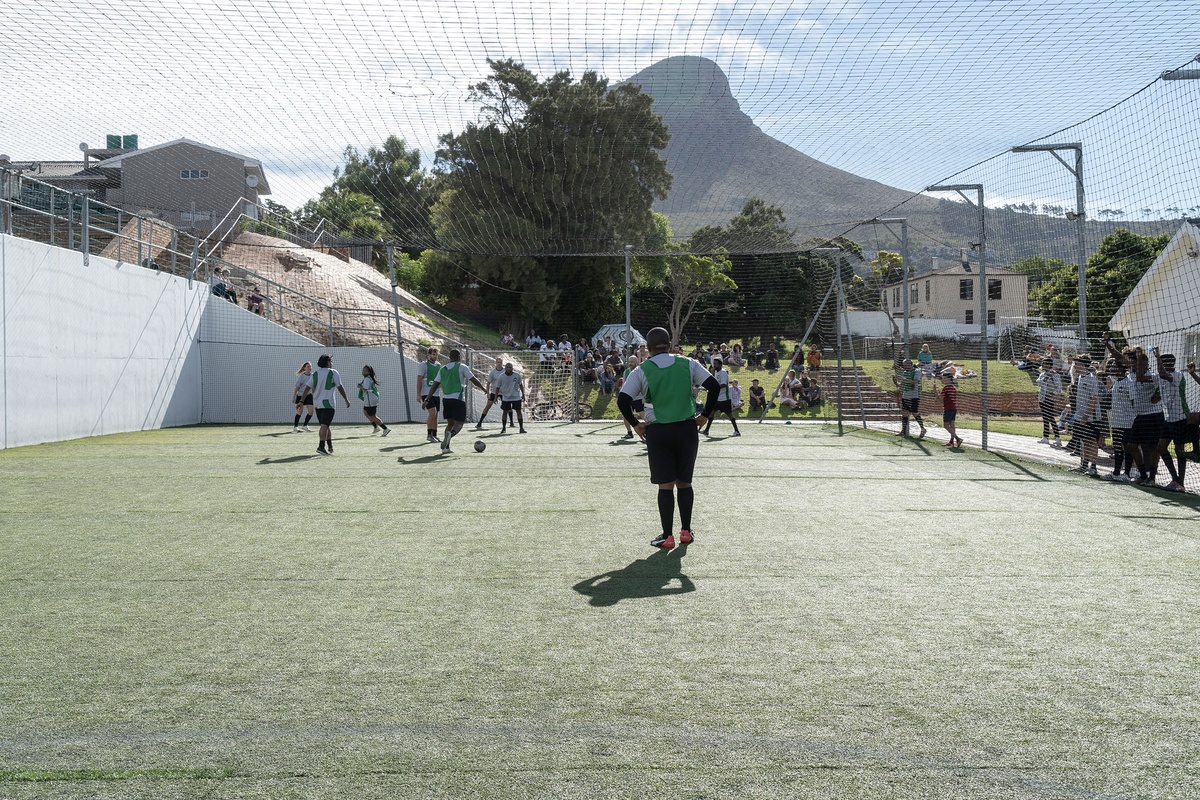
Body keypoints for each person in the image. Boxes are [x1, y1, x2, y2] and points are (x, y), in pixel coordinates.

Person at [618, 327, 721, 549]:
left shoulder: (641, 370)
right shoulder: (688, 363)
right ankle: (686, 532)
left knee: (665, 486)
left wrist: (636, 425)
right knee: (685, 483)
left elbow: (623, 400)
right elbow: (713, 386)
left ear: (648, 346)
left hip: (659, 432)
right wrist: (704, 415)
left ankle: (667, 536)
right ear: (669, 343)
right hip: (687, 429)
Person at [422, 348, 487, 454]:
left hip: (446, 400)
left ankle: (446, 448)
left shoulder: (442, 369)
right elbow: (473, 379)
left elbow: (434, 385)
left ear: (449, 358)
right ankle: (450, 435)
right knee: (459, 423)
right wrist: (484, 389)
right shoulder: (462, 367)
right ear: (459, 357)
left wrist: (427, 399)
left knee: (450, 423)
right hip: (458, 399)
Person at [1153, 351, 1190, 492]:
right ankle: (1175, 479)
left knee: (1179, 449)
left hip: (1180, 417)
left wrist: (1157, 357)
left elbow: (1163, 374)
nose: (1159, 366)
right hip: (1168, 418)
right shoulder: (1161, 378)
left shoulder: (1177, 375)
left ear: (1169, 363)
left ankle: (1181, 482)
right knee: (1161, 447)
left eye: (1162, 363)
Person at [1069, 354, 1102, 476]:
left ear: (1082, 364)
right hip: (1080, 416)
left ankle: (1093, 468)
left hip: (1091, 418)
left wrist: (1085, 417)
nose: (1074, 366)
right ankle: (1084, 465)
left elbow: (1094, 399)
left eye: (1076, 363)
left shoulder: (1092, 378)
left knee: (1092, 441)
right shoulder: (1080, 378)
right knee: (1084, 440)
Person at [311, 353, 350, 456]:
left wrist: (301, 401)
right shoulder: (333, 372)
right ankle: (321, 447)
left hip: (317, 404)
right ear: (327, 362)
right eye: (330, 361)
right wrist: (346, 399)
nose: (332, 363)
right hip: (328, 404)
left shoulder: (315, 373)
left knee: (325, 425)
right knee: (324, 425)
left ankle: (330, 446)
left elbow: (308, 388)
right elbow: (339, 386)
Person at [1104, 360, 1135, 482]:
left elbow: (1134, 402)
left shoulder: (1129, 383)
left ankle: (1126, 473)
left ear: (1122, 369)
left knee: (1127, 448)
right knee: (1117, 447)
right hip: (1116, 421)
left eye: (1114, 366)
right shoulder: (1116, 382)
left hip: (1128, 421)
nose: (1111, 368)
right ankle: (1116, 472)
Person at [702, 358, 741, 437]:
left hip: (724, 398)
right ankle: (706, 430)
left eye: (716, 363)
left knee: (730, 415)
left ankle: (737, 431)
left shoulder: (723, 372)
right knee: (711, 413)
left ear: (720, 364)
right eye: (714, 363)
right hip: (717, 397)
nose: (714, 365)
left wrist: (714, 388)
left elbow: (724, 384)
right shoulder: (716, 372)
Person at [893, 358, 926, 438]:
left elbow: (915, 381)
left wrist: (903, 379)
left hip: (914, 395)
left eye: (905, 365)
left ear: (910, 364)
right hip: (906, 394)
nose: (904, 367)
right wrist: (896, 382)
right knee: (904, 413)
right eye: (903, 365)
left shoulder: (917, 371)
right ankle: (903, 431)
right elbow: (902, 384)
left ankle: (923, 429)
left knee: (914, 412)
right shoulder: (905, 372)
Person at [1036, 358, 1065, 447]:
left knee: (1050, 418)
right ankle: (1045, 437)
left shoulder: (1055, 375)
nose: (1043, 365)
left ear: (1049, 365)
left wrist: (1052, 394)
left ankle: (1057, 438)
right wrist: (1046, 377)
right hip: (1042, 399)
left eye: (1045, 364)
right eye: (1043, 363)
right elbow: (1039, 382)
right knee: (1045, 418)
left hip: (1049, 399)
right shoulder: (1043, 374)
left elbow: (1059, 387)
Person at [416, 346, 442, 443]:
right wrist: (418, 394)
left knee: (436, 415)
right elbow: (419, 380)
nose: (435, 356)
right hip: (426, 393)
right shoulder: (423, 365)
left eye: (436, 355)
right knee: (432, 412)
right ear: (428, 355)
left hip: (436, 393)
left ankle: (434, 434)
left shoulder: (439, 366)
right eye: (433, 354)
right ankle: (429, 434)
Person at [356, 365, 390, 436]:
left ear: (369, 372)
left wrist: (360, 386)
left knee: (372, 416)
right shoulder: (367, 378)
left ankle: (385, 428)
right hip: (370, 400)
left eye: (365, 370)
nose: (363, 371)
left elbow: (366, 388)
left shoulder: (367, 379)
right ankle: (376, 427)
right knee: (365, 412)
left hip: (370, 400)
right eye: (363, 370)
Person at [495, 361, 527, 434]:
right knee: (505, 412)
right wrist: (495, 397)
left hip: (516, 397)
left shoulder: (517, 375)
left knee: (518, 411)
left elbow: (520, 385)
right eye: (507, 367)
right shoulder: (501, 376)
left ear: (512, 368)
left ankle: (521, 428)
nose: (509, 369)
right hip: (506, 397)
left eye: (510, 367)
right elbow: (497, 387)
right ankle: (503, 428)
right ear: (505, 368)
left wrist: (523, 394)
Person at [475, 356, 506, 431]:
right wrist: (488, 393)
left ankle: (511, 422)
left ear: (502, 363)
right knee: (488, 406)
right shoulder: (493, 372)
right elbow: (488, 383)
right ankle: (480, 422)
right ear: (495, 363)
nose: (499, 364)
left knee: (507, 407)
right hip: (494, 391)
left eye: (500, 362)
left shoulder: (505, 371)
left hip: (503, 392)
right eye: (498, 362)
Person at [621, 356, 645, 440]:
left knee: (643, 414)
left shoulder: (640, 371)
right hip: (629, 397)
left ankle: (651, 431)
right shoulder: (626, 372)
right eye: (629, 361)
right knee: (626, 415)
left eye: (632, 361)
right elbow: (625, 384)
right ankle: (629, 432)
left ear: (636, 362)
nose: (630, 363)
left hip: (639, 397)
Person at [940, 370, 962, 448]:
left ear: (948, 379)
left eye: (943, 378)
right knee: (952, 425)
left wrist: (935, 391)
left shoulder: (946, 388)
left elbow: (940, 398)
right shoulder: (953, 387)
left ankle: (957, 438)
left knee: (946, 425)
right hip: (953, 408)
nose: (942, 380)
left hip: (948, 409)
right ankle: (951, 442)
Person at [293, 361, 314, 432]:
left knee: (311, 411)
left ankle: (305, 425)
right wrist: (294, 396)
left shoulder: (313, 375)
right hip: (301, 396)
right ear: (304, 368)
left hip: (309, 395)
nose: (309, 368)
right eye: (308, 366)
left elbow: (313, 387)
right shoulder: (301, 376)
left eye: (310, 366)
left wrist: (314, 395)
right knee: (299, 412)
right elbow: (297, 387)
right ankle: (295, 427)